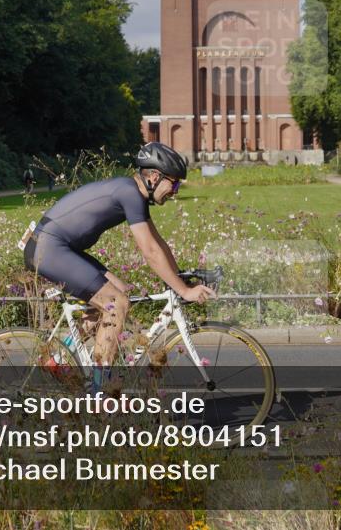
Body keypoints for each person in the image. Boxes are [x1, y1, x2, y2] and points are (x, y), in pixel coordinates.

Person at [22, 142, 215, 377]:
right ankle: (100, 393)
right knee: (116, 303)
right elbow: (150, 252)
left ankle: (58, 359)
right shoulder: (130, 193)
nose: (175, 191)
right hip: (49, 248)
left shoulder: (135, 195)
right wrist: (184, 291)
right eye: (173, 183)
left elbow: (159, 243)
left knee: (119, 291)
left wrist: (180, 276)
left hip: (58, 247)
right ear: (154, 176)